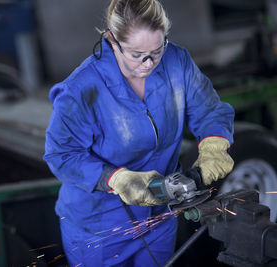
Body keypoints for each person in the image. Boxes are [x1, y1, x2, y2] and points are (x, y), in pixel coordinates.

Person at [44, 0, 235, 266]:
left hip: (159, 216)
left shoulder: (177, 62)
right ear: (112, 41)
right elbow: (61, 155)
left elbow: (210, 110)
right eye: (136, 54)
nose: (148, 63)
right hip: (99, 227)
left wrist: (214, 144)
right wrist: (117, 179)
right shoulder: (81, 89)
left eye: (157, 51)